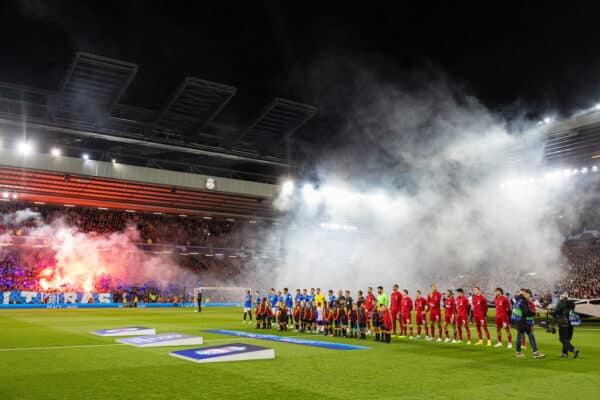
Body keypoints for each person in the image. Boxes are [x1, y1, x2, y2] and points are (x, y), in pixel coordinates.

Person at [512, 289, 545, 358]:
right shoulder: (523, 301)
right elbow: (526, 312)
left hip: (518, 321)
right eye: (529, 296)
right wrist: (534, 313)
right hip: (523, 322)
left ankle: (518, 352)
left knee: (520, 336)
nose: (530, 297)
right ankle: (535, 353)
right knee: (530, 335)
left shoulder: (518, 299)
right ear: (526, 294)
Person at [552, 292, 580, 359]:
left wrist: (550, 312)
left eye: (560, 295)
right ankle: (564, 353)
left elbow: (555, 312)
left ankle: (573, 349)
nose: (559, 297)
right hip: (571, 323)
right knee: (567, 339)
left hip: (563, 323)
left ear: (563, 296)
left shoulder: (561, 303)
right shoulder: (571, 303)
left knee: (562, 338)